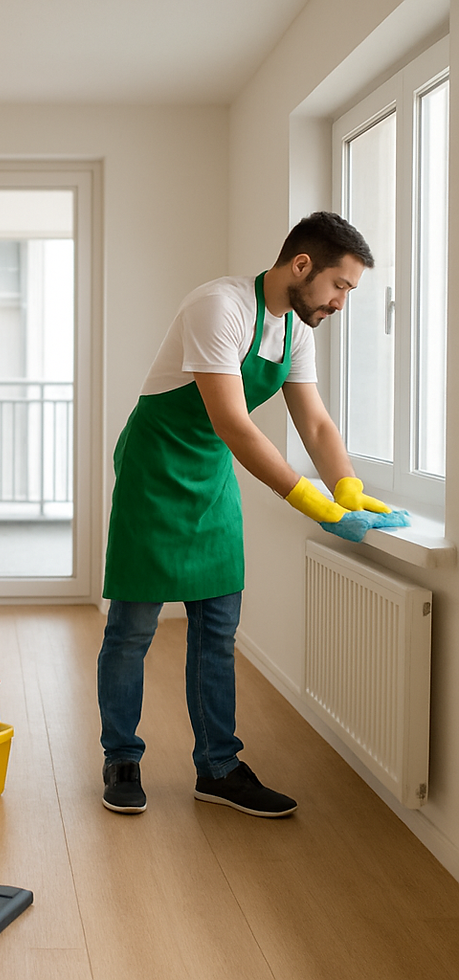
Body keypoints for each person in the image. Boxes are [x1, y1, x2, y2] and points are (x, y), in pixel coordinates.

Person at [98, 211, 390, 818]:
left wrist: (348, 487)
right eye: (340, 286)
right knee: (132, 629)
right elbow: (234, 422)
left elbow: (314, 422)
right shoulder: (218, 306)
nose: (341, 302)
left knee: (216, 629)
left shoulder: (295, 332)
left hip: (210, 471)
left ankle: (219, 768)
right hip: (156, 467)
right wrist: (311, 501)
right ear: (302, 265)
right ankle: (122, 756)